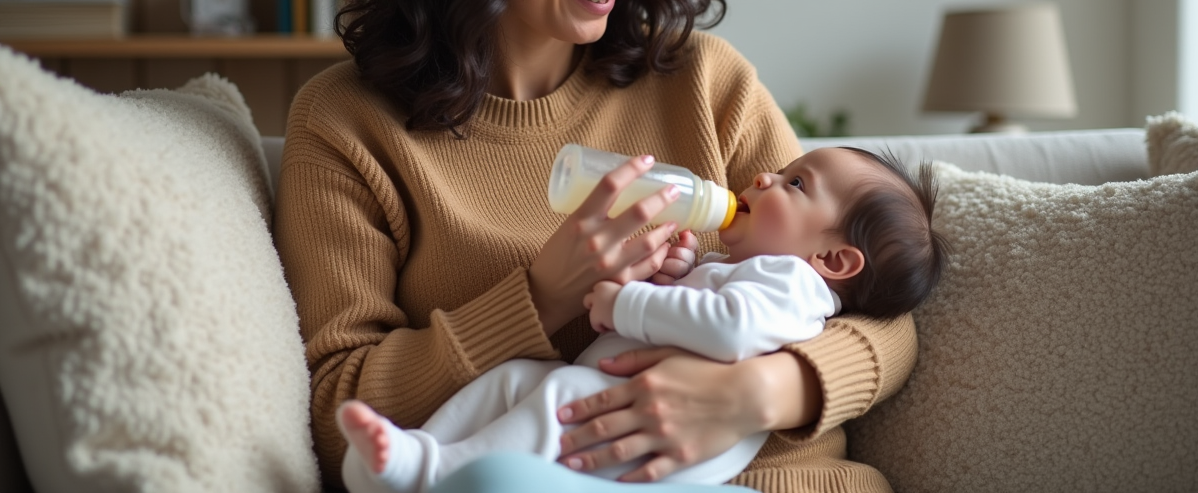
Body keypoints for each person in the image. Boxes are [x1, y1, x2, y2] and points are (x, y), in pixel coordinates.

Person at [273, 0, 925, 493]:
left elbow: (879, 314)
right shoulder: (350, 127)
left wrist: (756, 391)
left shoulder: (704, 82)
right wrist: (542, 297)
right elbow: (336, 403)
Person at [335, 148, 947, 493]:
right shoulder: (747, 265)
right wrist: (674, 273)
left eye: (793, 182)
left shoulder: (794, 284)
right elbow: (703, 311)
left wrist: (628, 304)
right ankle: (419, 454)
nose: (762, 177)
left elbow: (730, 328)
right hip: (617, 413)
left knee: (559, 396)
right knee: (518, 378)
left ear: (834, 261)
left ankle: (434, 473)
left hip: (657, 450)